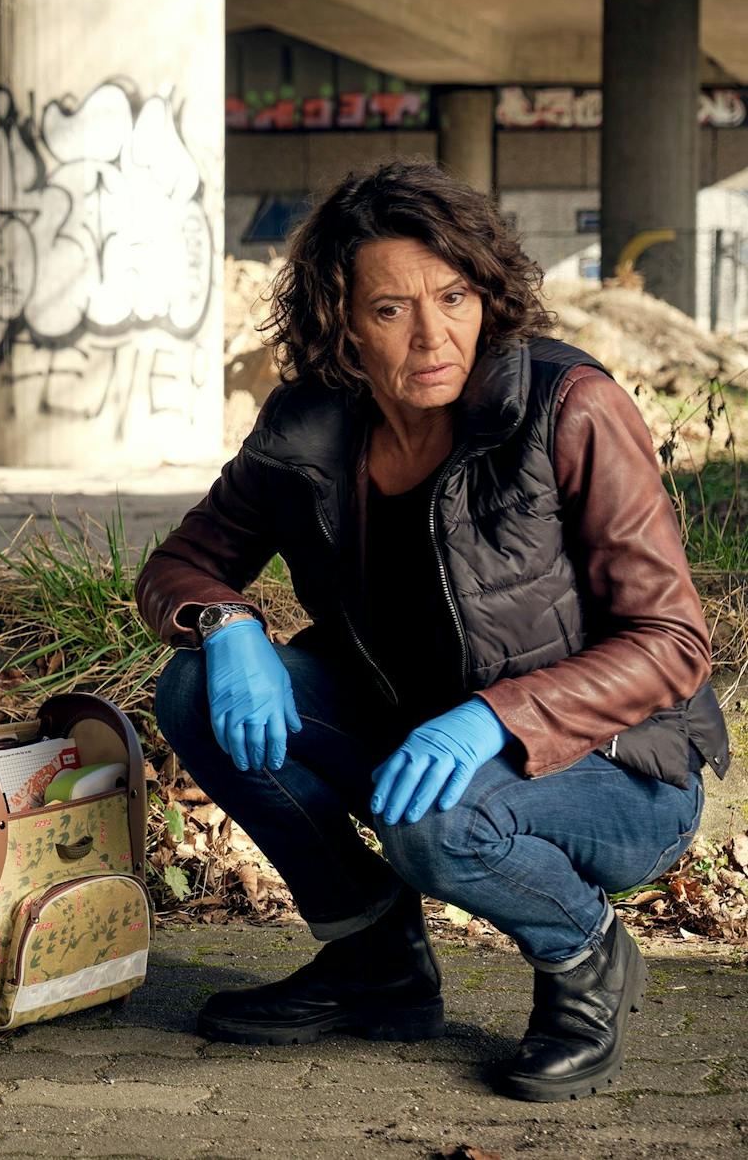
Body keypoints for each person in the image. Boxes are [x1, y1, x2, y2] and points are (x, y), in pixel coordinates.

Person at [139, 160, 727, 1102]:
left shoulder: (565, 407)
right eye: (389, 311)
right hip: (412, 728)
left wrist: (494, 717)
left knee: (433, 820)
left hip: (618, 770)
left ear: (486, 293)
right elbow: (181, 564)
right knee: (195, 688)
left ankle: (587, 958)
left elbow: (672, 641)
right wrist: (227, 622)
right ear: (342, 324)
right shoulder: (307, 427)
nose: (432, 336)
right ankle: (376, 959)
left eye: (454, 297)